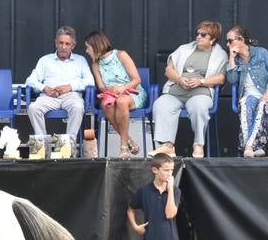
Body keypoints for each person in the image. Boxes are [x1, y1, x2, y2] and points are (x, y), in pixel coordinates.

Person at [152, 21, 227, 159]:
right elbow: (169, 70)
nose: (198, 36)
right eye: (197, 33)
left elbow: (221, 78)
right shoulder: (184, 49)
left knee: (199, 107)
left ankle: (198, 144)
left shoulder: (220, 55)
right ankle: (168, 146)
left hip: (200, 93)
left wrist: (201, 81)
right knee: (160, 104)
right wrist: (180, 79)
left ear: (213, 39)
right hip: (176, 91)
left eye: (203, 34)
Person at [25, 26, 94, 144]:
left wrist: (70, 87)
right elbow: (30, 80)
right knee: (33, 108)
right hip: (49, 96)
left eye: (67, 44)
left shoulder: (80, 60)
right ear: (56, 43)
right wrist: (44, 88)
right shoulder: (45, 60)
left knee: (78, 107)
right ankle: (42, 145)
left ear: (73, 45)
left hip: (71, 96)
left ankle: (68, 146)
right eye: (61, 43)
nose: (63, 46)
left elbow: (90, 81)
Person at [84, 30, 146, 158]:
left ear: (96, 46)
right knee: (106, 104)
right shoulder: (95, 65)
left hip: (133, 92)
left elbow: (136, 79)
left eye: (87, 47)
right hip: (112, 95)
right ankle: (129, 140)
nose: (86, 51)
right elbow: (101, 86)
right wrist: (108, 89)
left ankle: (123, 147)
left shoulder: (121, 55)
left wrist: (121, 88)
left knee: (122, 101)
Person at [223, 25, 268, 158]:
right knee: (245, 104)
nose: (228, 44)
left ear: (241, 39)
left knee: (262, 105)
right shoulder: (236, 59)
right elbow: (232, 80)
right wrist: (231, 59)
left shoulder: (261, 53)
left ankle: (248, 146)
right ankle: (257, 147)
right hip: (249, 96)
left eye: (230, 41)